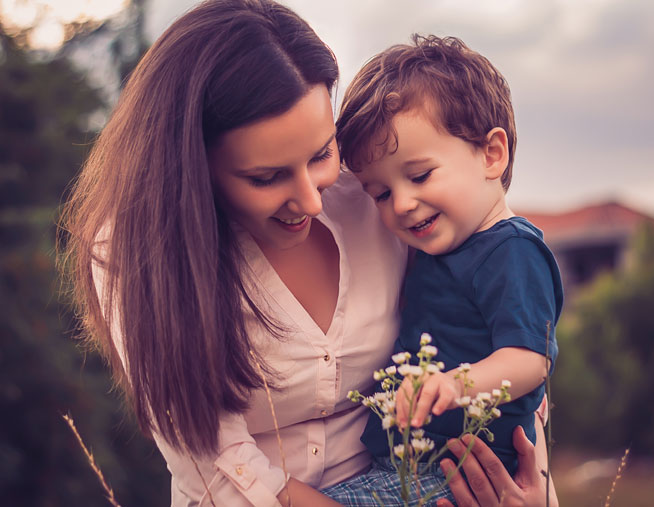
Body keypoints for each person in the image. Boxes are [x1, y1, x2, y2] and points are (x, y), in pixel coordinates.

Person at [60, 1, 557, 505]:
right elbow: (214, 462)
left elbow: (503, 351)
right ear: (193, 167)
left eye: (322, 154)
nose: (313, 199)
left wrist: (533, 493)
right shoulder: (135, 257)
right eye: (267, 177)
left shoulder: (380, 196)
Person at [323, 35, 563, 505]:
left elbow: (529, 359)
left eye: (419, 175)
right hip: (418, 463)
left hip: (461, 472)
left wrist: (455, 386)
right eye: (381, 193)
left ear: (492, 154)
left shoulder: (512, 250)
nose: (403, 204)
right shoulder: (444, 249)